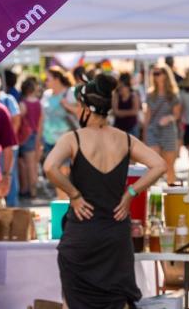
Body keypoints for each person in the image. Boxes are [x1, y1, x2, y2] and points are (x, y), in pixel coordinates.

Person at [44, 74, 166, 309]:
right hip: (115, 237)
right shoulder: (124, 139)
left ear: (85, 109)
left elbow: (50, 167)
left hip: (82, 235)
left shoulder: (73, 139)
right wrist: (131, 193)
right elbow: (159, 165)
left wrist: (75, 195)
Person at [145, 64, 181, 185]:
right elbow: (147, 116)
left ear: (166, 75)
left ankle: (171, 192)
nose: (156, 76)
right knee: (153, 165)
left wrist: (169, 118)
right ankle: (152, 192)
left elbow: (177, 115)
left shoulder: (173, 94)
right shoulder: (150, 94)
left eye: (158, 73)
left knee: (169, 164)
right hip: (153, 130)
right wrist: (144, 133)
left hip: (168, 131)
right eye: (154, 74)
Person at [0, 72, 21, 206]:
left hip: (8, 146)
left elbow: (16, 120)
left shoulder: (7, 99)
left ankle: (12, 206)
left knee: (9, 176)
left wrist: (6, 139)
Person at [16, 78, 43, 200]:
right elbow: (41, 121)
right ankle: (31, 189)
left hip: (25, 136)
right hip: (35, 134)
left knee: (28, 164)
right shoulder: (38, 103)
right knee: (32, 164)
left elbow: (18, 119)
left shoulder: (23, 103)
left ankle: (31, 191)